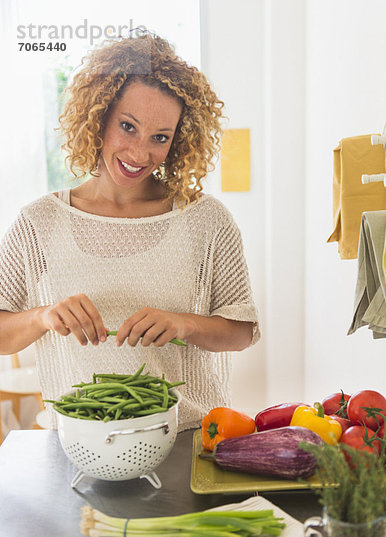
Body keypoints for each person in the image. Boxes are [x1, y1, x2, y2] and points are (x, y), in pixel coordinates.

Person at [0, 28, 260, 431]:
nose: (141, 153)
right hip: (77, 441)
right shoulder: (39, 223)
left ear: (178, 141)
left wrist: (184, 323)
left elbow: (242, 331)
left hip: (187, 440)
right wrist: (43, 316)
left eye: (160, 138)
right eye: (128, 126)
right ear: (98, 116)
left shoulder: (206, 219)